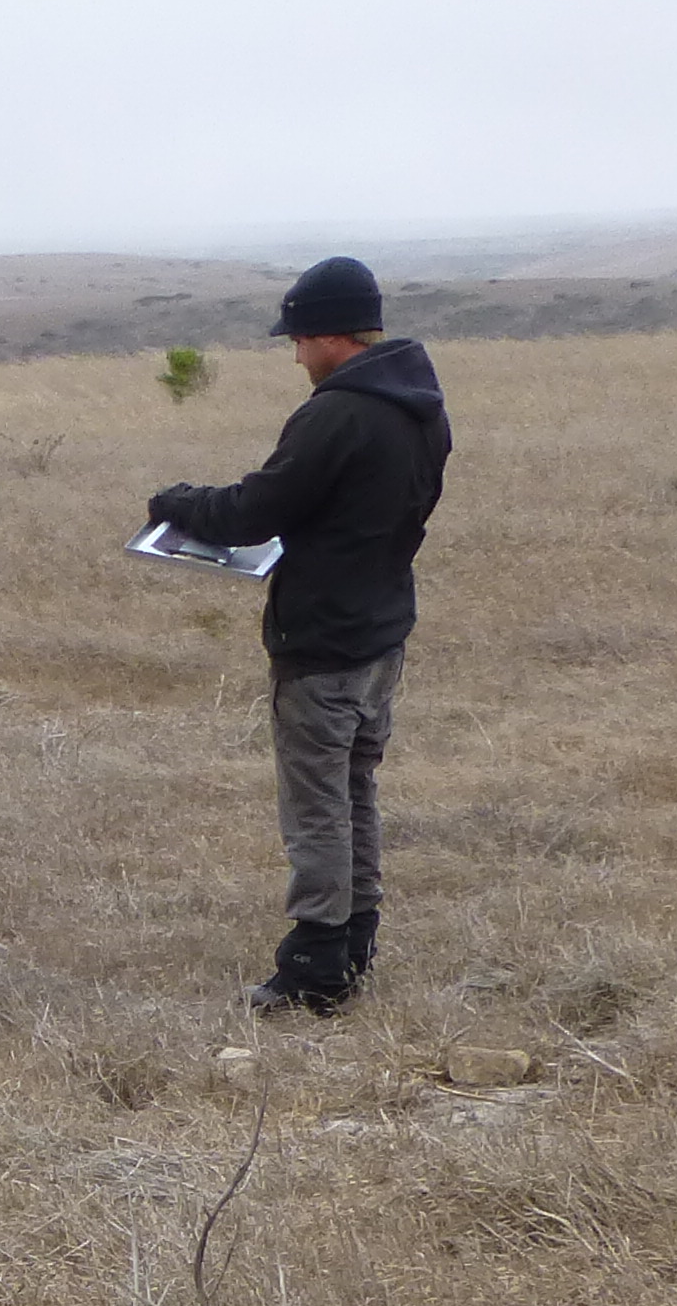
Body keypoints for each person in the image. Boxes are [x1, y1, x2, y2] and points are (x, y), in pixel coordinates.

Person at [147, 257, 452, 1015]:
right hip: (382, 628)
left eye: (299, 340)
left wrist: (178, 502)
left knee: (317, 803)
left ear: (330, 336)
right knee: (354, 790)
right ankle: (356, 941)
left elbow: (254, 511)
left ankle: (316, 965)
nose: (295, 356)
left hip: (322, 640)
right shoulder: (421, 405)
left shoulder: (337, 412)